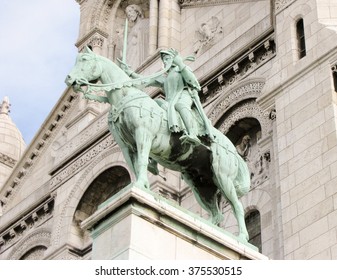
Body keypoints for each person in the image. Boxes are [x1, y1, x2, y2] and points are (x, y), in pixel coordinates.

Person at [120, 48, 209, 145]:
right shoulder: (164, 78)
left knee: (180, 105)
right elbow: (145, 80)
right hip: (170, 101)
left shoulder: (181, 69)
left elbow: (193, 82)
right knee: (157, 103)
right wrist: (130, 72)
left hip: (183, 95)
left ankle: (192, 134)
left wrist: (180, 64)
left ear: (173, 59)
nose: (165, 62)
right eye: (164, 60)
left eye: (167, 59)